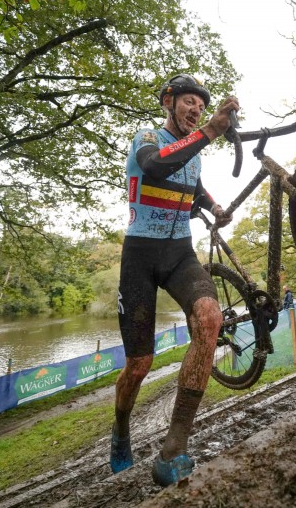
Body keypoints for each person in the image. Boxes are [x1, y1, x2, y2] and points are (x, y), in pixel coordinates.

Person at [112, 73, 239, 487]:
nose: (195, 110)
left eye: (201, 107)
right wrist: (211, 129)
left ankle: (175, 446)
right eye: (188, 102)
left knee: (208, 318)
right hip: (140, 256)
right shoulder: (146, 135)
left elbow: (194, 186)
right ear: (169, 102)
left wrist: (215, 205)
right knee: (139, 364)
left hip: (179, 252)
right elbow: (156, 165)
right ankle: (121, 426)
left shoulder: (194, 153)